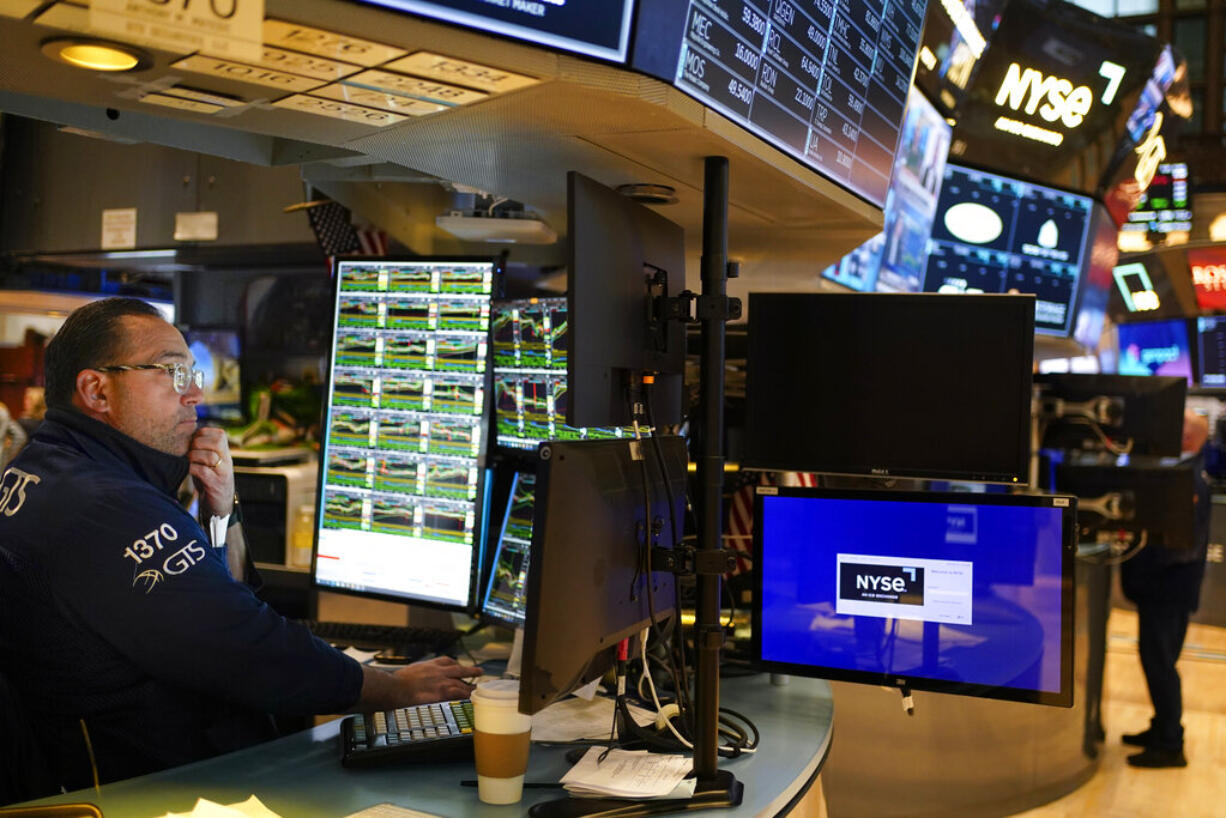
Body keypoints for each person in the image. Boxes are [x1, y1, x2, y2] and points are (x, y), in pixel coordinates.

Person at [0, 298, 480, 794]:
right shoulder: (102, 506)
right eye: (172, 373)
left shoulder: (46, 471)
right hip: (156, 791)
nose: (193, 396)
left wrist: (221, 511)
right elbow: (243, 645)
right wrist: (393, 688)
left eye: (193, 374)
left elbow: (213, 604)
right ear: (96, 390)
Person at [1119, 408, 1211, 768]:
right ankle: (1161, 728)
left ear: (1187, 438)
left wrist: (1141, 557)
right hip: (1163, 590)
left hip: (1168, 591)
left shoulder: (1189, 480)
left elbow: (1181, 545)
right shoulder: (1183, 471)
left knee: (1161, 665)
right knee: (1157, 661)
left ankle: (1171, 744)